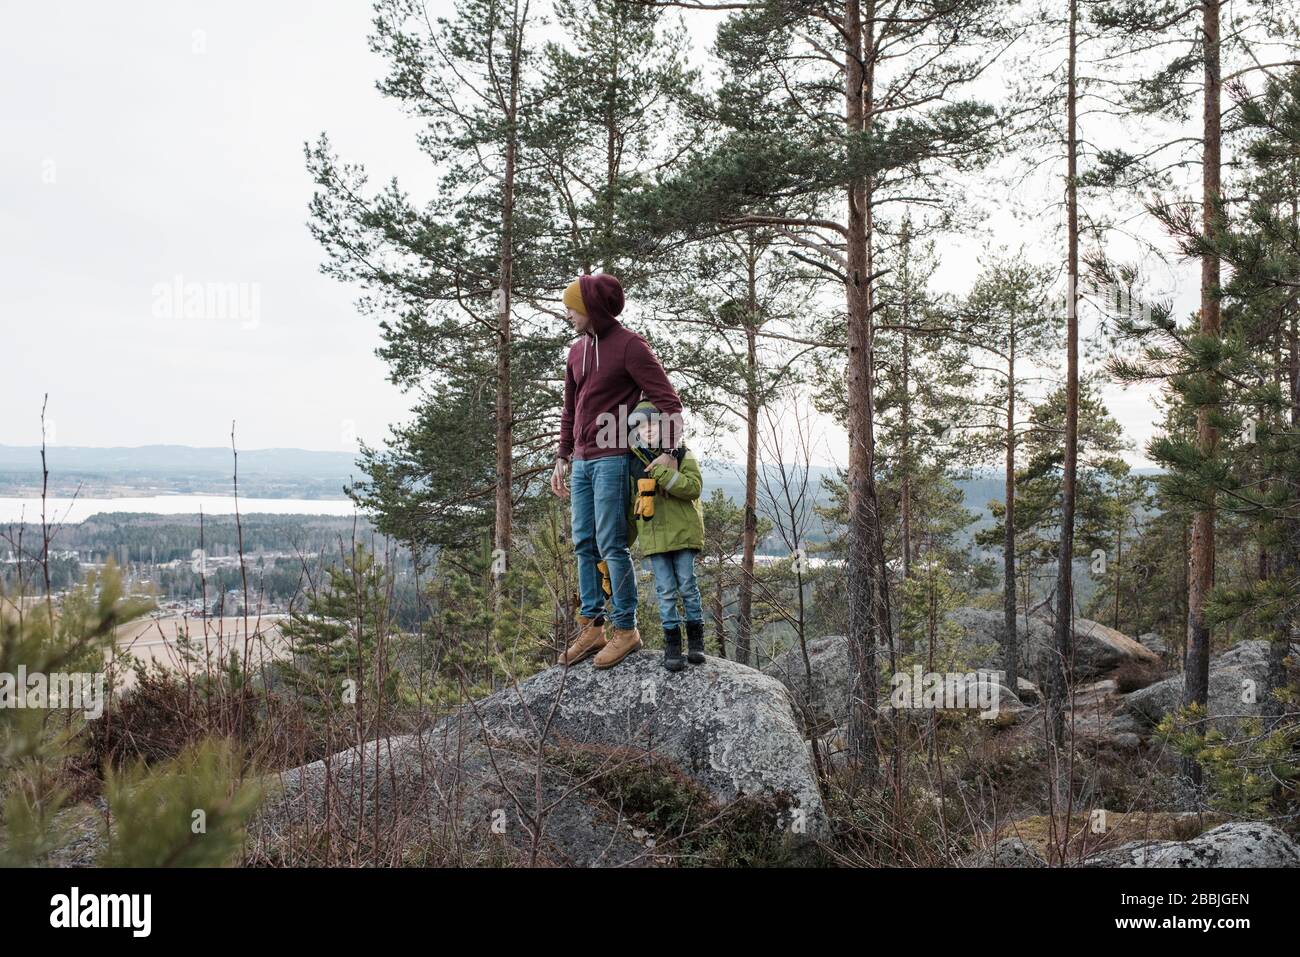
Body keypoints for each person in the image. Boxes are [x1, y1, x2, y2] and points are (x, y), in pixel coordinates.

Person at [551, 274, 682, 670]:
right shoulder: (575, 351)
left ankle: (626, 629)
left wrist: (671, 451)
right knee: (583, 542)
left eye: (573, 307)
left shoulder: (630, 345)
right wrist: (562, 456)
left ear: (593, 308)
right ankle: (592, 625)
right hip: (584, 460)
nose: (568, 313)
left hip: (614, 457)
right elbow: (570, 410)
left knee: (611, 543)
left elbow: (668, 400)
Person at [627, 400, 706, 672]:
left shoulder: (682, 454)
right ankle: (672, 646)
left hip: (683, 533)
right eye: (640, 426)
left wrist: (661, 472)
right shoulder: (634, 462)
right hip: (654, 537)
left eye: (651, 424)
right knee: (665, 592)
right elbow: (630, 503)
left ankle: (696, 643)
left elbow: (693, 488)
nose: (646, 430)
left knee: (687, 586)